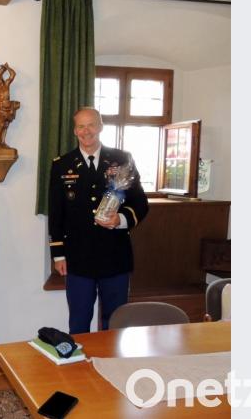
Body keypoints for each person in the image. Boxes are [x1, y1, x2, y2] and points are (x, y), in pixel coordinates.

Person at [47, 107, 149, 334]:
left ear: (100, 127)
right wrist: (58, 254)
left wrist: (120, 219)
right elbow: (56, 213)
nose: (86, 131)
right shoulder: (62, 165)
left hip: (114, 256)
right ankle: (79, 368)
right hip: (78, 257)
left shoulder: (122, 160)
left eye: (91, 124)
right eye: (81, 126)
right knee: (79, 321)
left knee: (115, 322)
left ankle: (111, 367)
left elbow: (140, 203)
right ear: (75, 131)